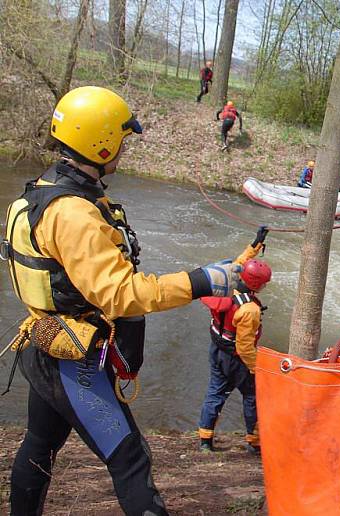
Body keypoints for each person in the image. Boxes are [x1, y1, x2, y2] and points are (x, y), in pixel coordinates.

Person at [3, 86, 249, 516]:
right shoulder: (73, 213)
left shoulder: (39, 193)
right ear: (101, 142)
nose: (124, 147)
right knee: (131, 462)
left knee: (39, 446)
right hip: (72, 362)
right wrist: (202, 280)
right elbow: (120, 295)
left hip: (45, 342)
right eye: (121, 138)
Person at [198, 237, 272, 455]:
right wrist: (255, 367)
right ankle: (254, 442)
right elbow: (245, 346)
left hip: (217, 348)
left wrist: (256, 244)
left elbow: (240, 261)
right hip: (236, 358)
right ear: (257, 285)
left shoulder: (228, 282)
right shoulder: (250, 310)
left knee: (215, 392)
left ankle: (205, 440)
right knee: (251, 396)